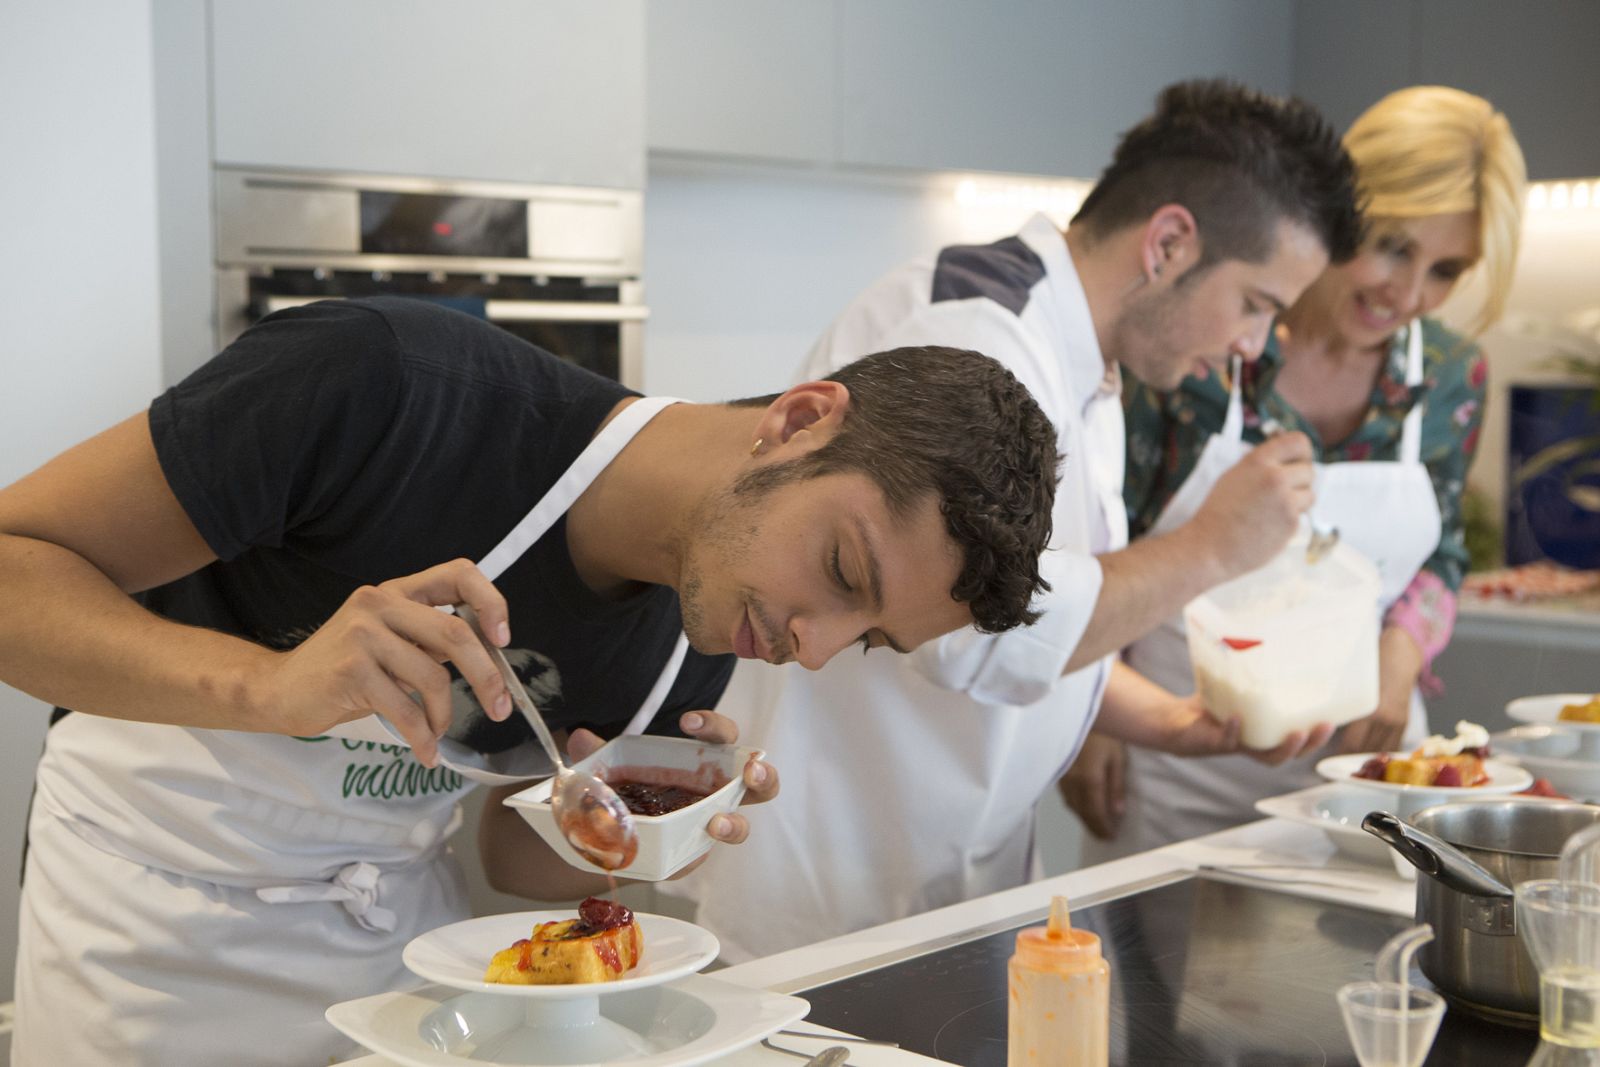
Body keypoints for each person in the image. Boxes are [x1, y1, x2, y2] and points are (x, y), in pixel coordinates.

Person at [0, 296, 1060, 1066]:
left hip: (389, 951)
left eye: (867, 637)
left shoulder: (694, 639)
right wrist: (272, 684)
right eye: (841, 574)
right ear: (793, 422)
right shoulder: (385, 383)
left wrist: (620, 831)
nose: (813, 648)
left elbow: (507, 853)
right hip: (144, 924)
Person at [666, 79, 1363, 963]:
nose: (1253, 346)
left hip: (943, 882)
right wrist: (1214, 545)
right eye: (1257, 303)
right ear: (1171, 243)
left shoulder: (1087, 367)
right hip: (832, 889)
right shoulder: (975, 333)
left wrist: (1173, 723)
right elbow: (984, 630)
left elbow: (1038, 620)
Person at [1066, 85, 1528, 858]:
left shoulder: (1449, 375)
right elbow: (1109, 537)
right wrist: (1088, 715)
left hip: (1365, 764)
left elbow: (1441, 556)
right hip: (1176, 749)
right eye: (1392, 244)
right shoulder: (1202, 339)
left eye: (1446, 269)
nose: (1408, 294)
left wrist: (1400, 657)